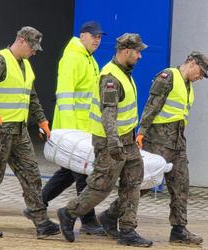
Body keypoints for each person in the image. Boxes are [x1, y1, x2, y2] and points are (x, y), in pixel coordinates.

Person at [57, 33, 153, 247]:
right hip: (111, 141)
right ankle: (69, 212)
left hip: (126, 139)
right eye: (137, 52)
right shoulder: (110, 77)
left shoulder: (124, 72)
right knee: (102, 185)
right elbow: (107, 114)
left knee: (133, 182)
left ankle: (127, 230)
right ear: (126, 51)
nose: (140, 56)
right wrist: (113, 143)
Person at [23, 21, 105, 236]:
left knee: (69, 173)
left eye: (99, 37)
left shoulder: (89, 59)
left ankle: (36, 205)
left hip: (84, 128)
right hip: (73, 130)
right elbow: (65, 95)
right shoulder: (73, 57)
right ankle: (87, 220)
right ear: (83, 36)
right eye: (93, 36)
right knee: (83, 175)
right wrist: (70, 134)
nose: (97, 40)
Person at [0, 26, 60, 238]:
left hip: (19, 132)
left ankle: (41, 222)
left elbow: (31, 96)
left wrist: (42, 120)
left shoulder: (26, 66)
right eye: (32, 47)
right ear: (20, 41)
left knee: (32, 175)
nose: (34, 52)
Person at [136, 51, 208, 245]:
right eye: (201, 72)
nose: (200, 77)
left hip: (177, 143)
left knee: (181, 185)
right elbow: (151, 106)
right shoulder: (168, 77)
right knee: (145, 183)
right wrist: (141, 133)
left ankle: (179, 230)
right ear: (192, 63)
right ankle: (113, 215)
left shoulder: (188, 87)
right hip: (158, 141)